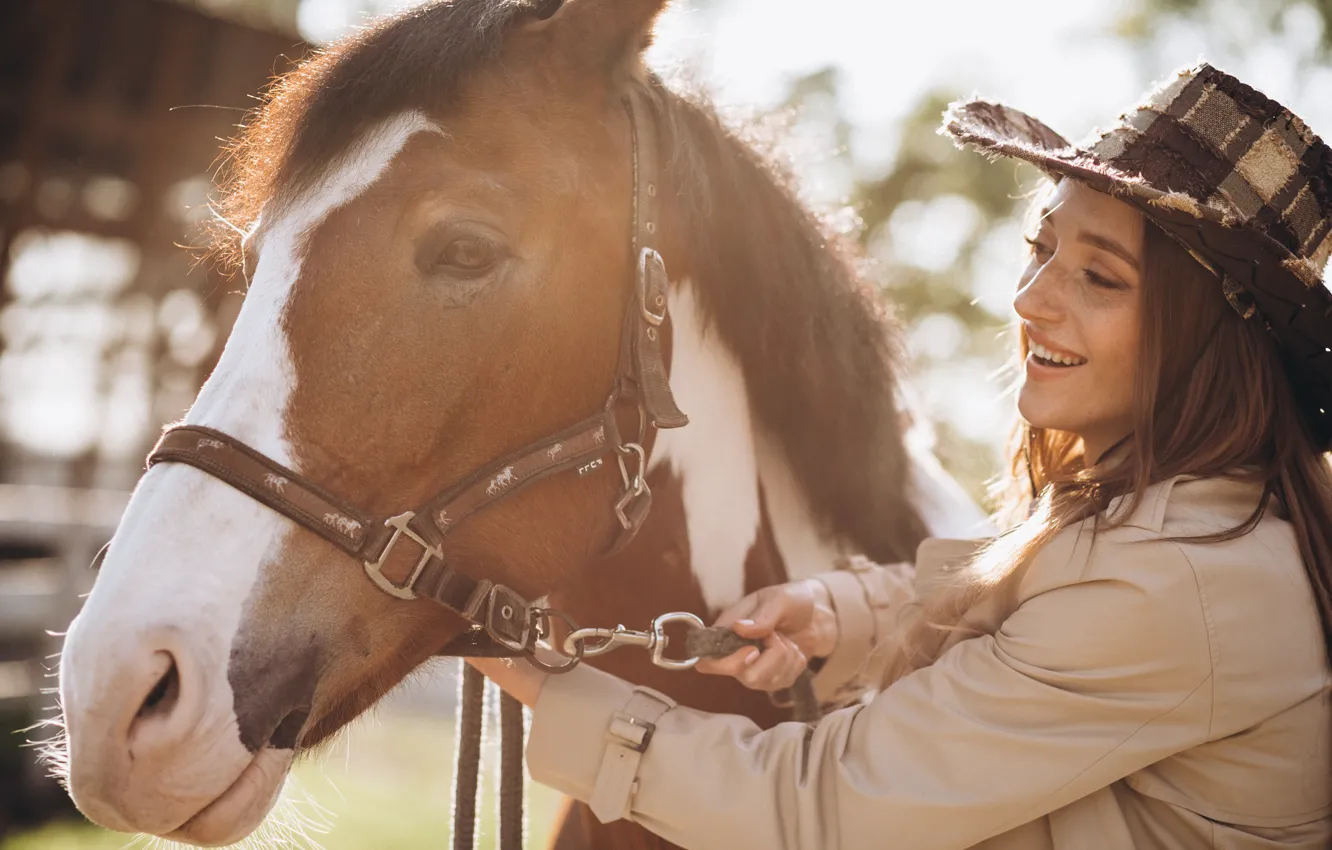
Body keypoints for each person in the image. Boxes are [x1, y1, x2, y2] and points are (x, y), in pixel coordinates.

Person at [471, 62, 1332, 849]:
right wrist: (834, 616)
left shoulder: (1177, 581)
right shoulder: (1193, 529)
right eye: (1042, 250)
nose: (1031, 300)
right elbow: (1025, 601)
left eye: (1099, 277)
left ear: (1210, 341)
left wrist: (536, 677)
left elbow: (821, 806)